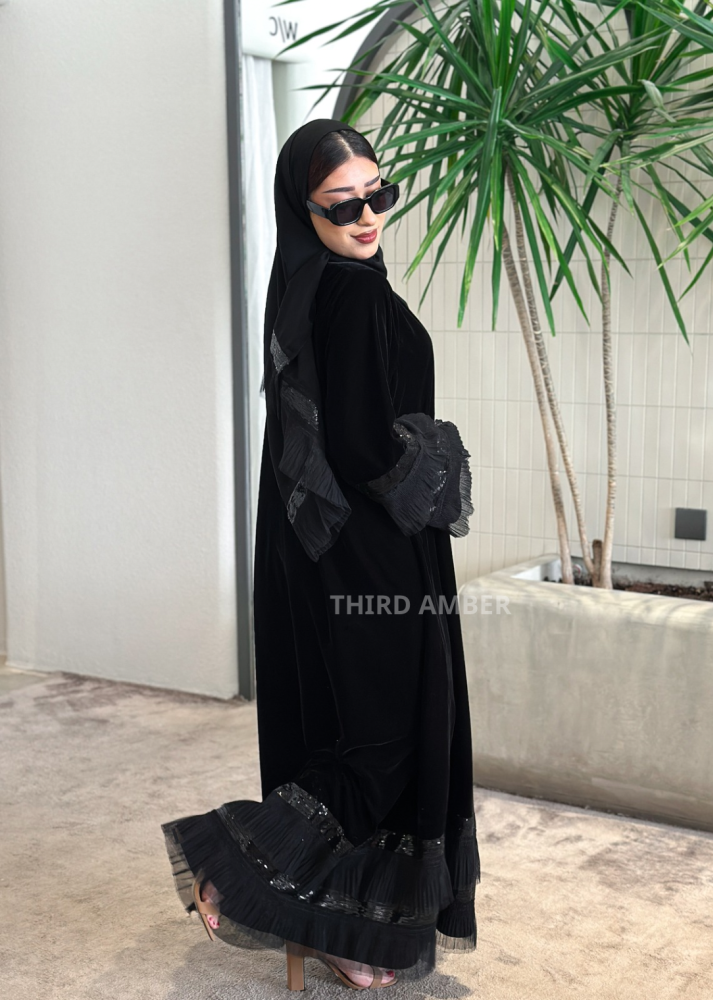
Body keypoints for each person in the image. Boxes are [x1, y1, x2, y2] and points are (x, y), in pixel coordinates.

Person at [161, 118, 480, 992]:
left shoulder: (302, 284)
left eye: (379, 195)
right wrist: (440, 455)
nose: (368, 216)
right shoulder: (354, 295)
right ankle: (227, 866)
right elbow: (367, 446)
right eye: (344, 205)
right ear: (304, 210)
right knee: (387, 742)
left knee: (350, 733)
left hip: (323, 555)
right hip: (375, 560)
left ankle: (339, 928)